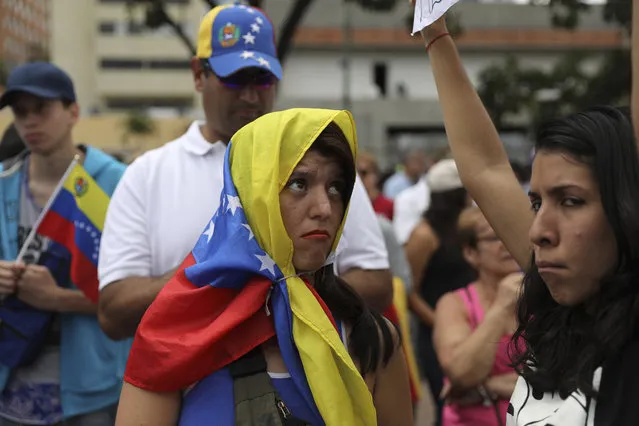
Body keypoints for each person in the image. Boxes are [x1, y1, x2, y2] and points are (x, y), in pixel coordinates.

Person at [97, 3, 393, 343]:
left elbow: (377, 285)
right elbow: (114, 312)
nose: (251, 94)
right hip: (187, 389)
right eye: (235, 78)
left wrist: (287, 289)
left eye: (262, 78)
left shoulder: (318, 167)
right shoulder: (147, 175)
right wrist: (211, 270)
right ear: (198, 74)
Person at [114, 108, 413, 426]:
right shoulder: (174, 337)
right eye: (299, 184)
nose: (325, 208)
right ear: (252, 194)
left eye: (336, 187)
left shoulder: (370, 340)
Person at [416, 4, 639, 424]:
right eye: (537, 203)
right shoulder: (557, 310)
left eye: (571, 201)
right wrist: (432, 30)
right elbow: (484, 168)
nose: (538, 231)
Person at [0, 62, 127, 425]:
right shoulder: (3, 183)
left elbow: (140, 293)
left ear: (73, 111)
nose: (29, 121)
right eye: (20, 112)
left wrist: (58, 299)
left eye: (41, 108)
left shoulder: (118, 184)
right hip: (11, 388)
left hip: (93, 388)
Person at [405, 159, 477, 426]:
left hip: (472, 328)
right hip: (436, 333)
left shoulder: (466, 227)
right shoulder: (424, 235)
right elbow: (409, 290)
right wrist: (441, 323)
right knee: (446, 406)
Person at [433, 207, 521, 426]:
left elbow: (561, 378)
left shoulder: (545, 301)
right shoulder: (454, 304)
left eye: (508, 233)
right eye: (493, 237)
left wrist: (488, 386)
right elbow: (461, 373)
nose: (505, 244)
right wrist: (501, 306)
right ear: (471, 253)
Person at [357, 151, 394, 220]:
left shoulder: (389, 205)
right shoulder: (349, 205)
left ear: (375, 175)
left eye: (363, 173)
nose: (359, 178)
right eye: (356, 174)